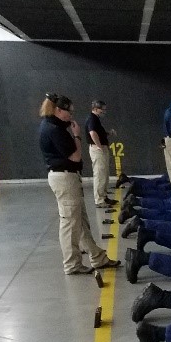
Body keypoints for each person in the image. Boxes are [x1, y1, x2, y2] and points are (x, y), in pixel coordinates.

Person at [37, 93, 120, 275]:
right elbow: (75, 156)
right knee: (69, 224)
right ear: (58, 110)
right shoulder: (54, 130)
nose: (71, 116)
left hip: (67, 177)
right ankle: (72, 264)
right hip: (64, 178)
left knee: (80, 221)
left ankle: (98, 257)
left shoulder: (52, 124)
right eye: (69, 112)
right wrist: (76, 136)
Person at [85, 100, 116, 208]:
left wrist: (107, 133)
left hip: (100, 148)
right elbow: (92, 133)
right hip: (97, 150)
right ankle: (99, 200)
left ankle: (104, 196)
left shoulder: (95, 119)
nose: (104, 111)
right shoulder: (92, 119)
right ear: (96, 109)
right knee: (99, 174)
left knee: (104, 174)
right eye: (102, 109)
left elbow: (98, 132)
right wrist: (99, 146)